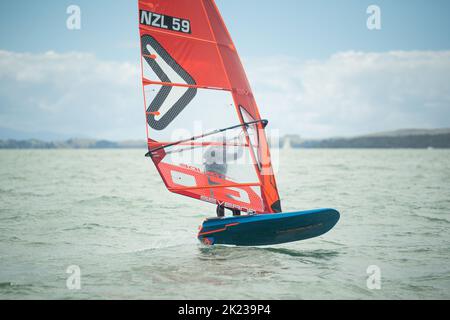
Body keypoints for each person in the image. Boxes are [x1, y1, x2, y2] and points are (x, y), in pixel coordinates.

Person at [203, 144, 242, 217]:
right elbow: (205, 155)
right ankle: (222, 220)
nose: (226, 149)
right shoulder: (212, 155)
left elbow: (238, 155)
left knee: (234, 206)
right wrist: (213, 145)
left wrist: (241, 142)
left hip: (220, 188)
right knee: (234, 206)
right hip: (211, 186)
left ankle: (225, 221)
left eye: (226, 147)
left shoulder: (225, 157)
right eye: (224, 146)